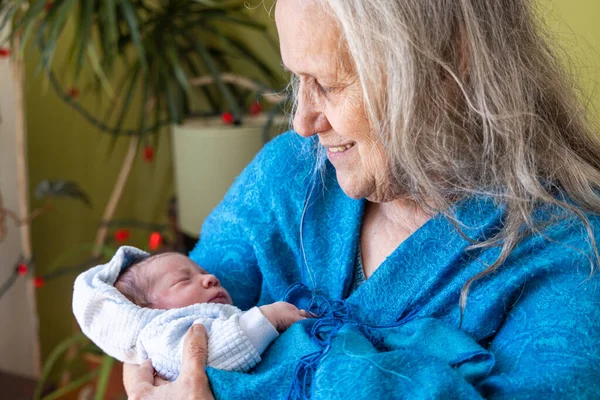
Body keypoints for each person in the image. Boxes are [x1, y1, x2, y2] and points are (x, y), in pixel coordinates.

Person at [124, 0, 600, 398]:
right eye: (297, 81)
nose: (303, 122)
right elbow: (170, 330)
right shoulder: (289, 172)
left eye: (328, 85)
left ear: (449, 63)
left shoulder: (573, 251)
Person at [72, 246, 308, 381]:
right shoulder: (160, 337)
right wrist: (268, 318)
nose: (210, 278)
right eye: (183, 279)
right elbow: (208, 357)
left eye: (203, 272)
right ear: (144, 311)